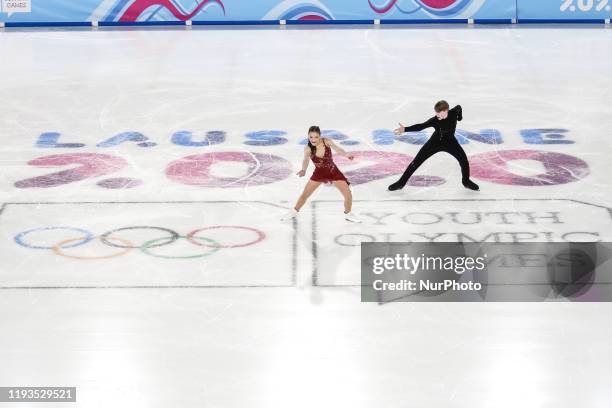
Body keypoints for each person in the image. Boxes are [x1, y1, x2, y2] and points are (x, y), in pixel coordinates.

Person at [388, 100, 480, 191]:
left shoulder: (453, 113)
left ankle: (466, 181)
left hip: (451, 142)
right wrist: (405, 129)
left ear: (445, 111)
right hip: (435, 142)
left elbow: (459, 107)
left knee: (464, 161)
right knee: (416, 161)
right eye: (436, 112)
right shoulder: (434, 120)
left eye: (439, 112)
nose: (437, 114)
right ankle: (401, 183)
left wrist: (459, 117)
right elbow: (421, 126)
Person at [282, 126, 361, 222]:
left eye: (316, 137)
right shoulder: (308, 148)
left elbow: (337, 149)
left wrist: (346, 154)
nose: (313, 139)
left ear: (320, 137)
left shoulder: (326, 141)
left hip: (333, 171)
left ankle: (348, 214)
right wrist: (303, 170)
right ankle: (294, 211)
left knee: (348, 193)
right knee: (305, 194)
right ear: (308, 136)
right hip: (319, 173)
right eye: (311, 137)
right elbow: (306, 160)